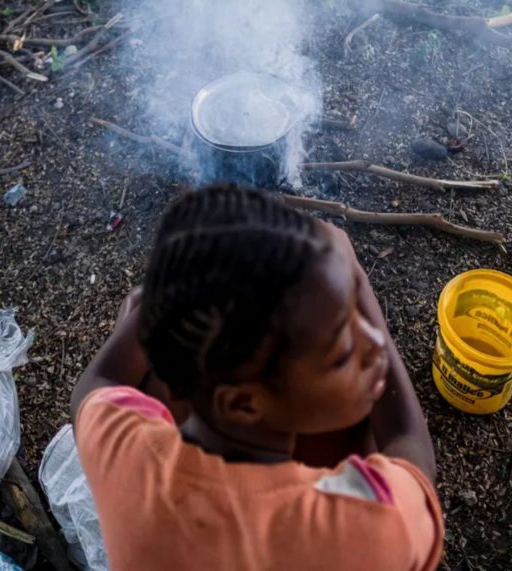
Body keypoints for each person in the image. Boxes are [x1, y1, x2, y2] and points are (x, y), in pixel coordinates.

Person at [69, 185, 443, 570]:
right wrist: (358, 283)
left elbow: (98, 383)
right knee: (356, 429)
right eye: (342, 353)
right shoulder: (363, 525)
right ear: (242, 402)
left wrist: (170, 302)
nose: (375, 340)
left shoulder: (127, 459)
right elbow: (410, 452)